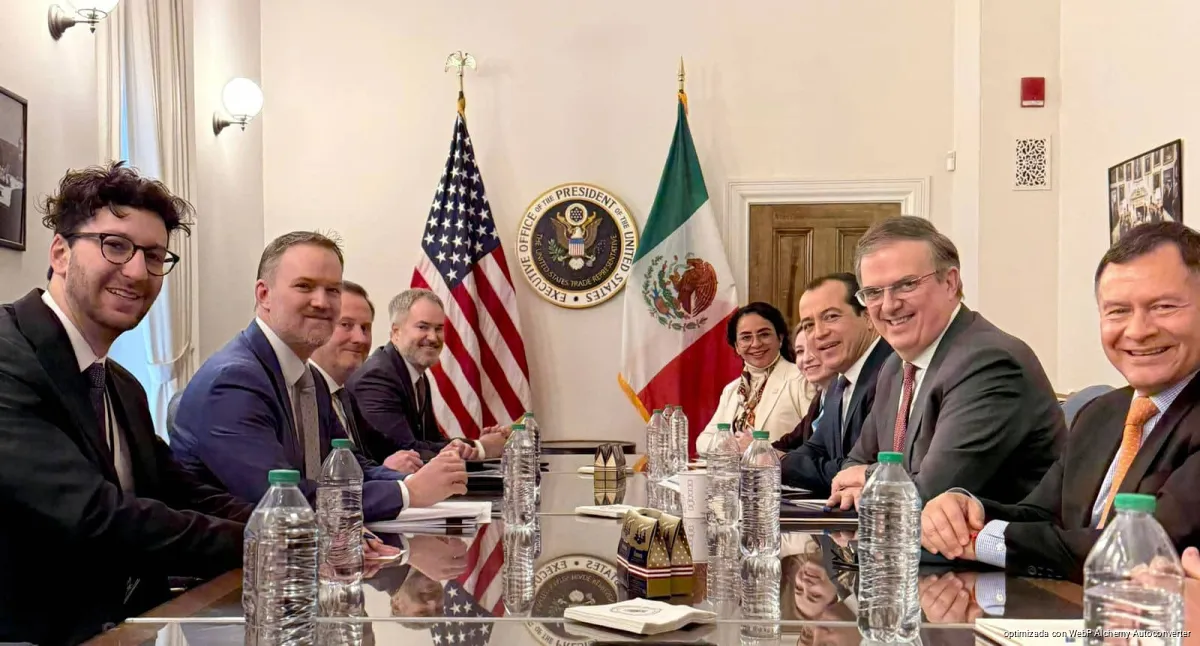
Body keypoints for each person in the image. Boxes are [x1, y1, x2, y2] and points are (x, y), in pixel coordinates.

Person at [0, 162, 250, 645]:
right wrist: (263, 540)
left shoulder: (119, 382)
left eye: (154, 256)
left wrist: (289, 521)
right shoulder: (7, 356)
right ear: (60, 253)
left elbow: (181, 489)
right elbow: (94, 515)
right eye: (115, 245)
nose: (137, 272)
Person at [920, 221, 1200, 582]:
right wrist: (964, 515)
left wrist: (987, 542)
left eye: (1163, 306)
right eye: (1117, 311)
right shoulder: (1100, 413)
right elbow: (1041, 516)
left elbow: (1138, 550)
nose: (1137, 330)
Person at [171, 232, 467, 522]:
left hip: (315, 543)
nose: (322, 302)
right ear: (264, 295)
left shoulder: (309, 378)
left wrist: (417, 479)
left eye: (333, 290)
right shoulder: (233, 382)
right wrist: (406, 492)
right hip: (242, 552)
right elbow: (285, 500)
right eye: (304, 286)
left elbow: (351, 466)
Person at [827, 217, 1064, 509]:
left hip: (991, 537)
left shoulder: (988, 362)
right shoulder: (895, 366)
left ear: (950, 283)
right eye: (873, 292)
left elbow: (932, 492)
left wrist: (866, 478)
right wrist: (858, 482)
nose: (888, 305)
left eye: (906, 285)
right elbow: (855, 461)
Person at [347, 288, 508, 462]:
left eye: (438, 328)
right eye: (422, 327)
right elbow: (405, 450)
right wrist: (481, 447)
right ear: (396, 332)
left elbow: (432, 441)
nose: (433, 337)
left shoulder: (417, 375)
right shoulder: (376, 377)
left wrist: (473, 444)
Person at [782, 273, 894, 496]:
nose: (819, 333)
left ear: (868, 317)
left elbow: (867, 470)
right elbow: (815, 448)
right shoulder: (838, 383)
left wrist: (781, 462)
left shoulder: (892, 372)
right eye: (808, 325)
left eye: (831, 317)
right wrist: (778, 460)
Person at [308, 279, 422, 474]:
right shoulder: (301, 393)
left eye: (365, 328)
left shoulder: (343, 396)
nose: (360, 338)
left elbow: (383, 450)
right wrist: (386, 471)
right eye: (346, 325)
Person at [695, 302, 811, 453]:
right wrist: (732, 445)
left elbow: (816, 442)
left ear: (780, 338)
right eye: (746, 337)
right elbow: (703, 442)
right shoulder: (732, 390)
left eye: (764, 334)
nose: (756, 344)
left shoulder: (801, 379)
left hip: (781, 467)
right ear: (736, 346)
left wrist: (758, 448)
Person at [771, 325, 835, 452]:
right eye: (800, 351)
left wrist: (781, 456)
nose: (806, 358)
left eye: (816, 348)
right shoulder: (820, 399)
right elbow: (789, 442)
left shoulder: (848, 395)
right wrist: (757, 449)